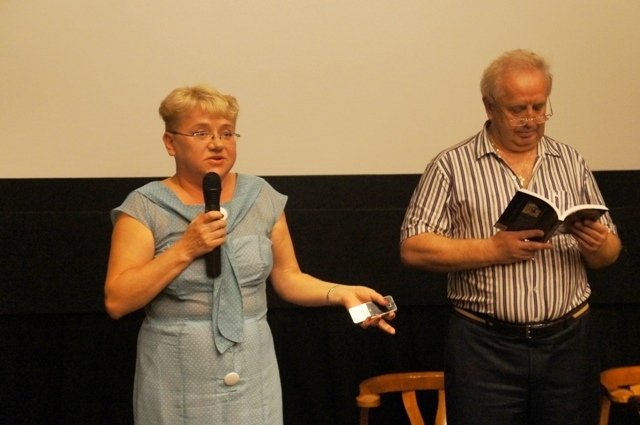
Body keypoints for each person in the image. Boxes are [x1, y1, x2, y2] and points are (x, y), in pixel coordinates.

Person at [104, 84, 395, 425]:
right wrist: (186, 248)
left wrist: (341, 293)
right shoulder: (145, 206)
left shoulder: (260, 196)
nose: (217, 143)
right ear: (170, 143)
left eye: (227, 133)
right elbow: (118, 300)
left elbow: (288, 278)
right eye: (201, 133)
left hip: (253, 372)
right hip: (176, 376)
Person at [400, 49, 622, 425]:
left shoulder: (571, 161)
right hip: (485, 349)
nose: (531, 120)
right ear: (489, 106)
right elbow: (413, 248)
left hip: (568, 345)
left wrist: (598, 245)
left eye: (540, 107)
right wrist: (492, 248)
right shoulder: (450, 166)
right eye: (518, 109)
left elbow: (610, 253)